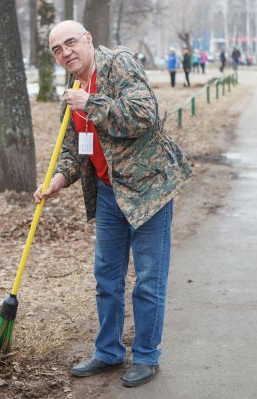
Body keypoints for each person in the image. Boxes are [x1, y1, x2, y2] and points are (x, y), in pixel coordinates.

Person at [39, 20, 192, 388]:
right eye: (57, 50)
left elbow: (145, 114)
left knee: (148, 279)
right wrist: (58, 179)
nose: (65, 53)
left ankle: (146, 356)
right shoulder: (72, 89)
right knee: (106, 278)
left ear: (88, 40)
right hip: (109, 193)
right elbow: (76, 149)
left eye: (71, 43)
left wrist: (91, 103)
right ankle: (108, 352)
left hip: (147, 189)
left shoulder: (118, 63)